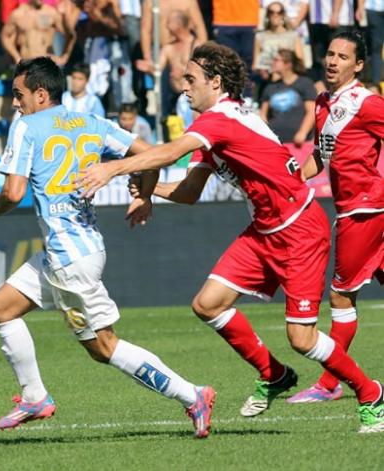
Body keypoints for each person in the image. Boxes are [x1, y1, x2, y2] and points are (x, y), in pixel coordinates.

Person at [79, 42, 384, 433]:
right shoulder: (215, 125)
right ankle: (274, 375)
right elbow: (189, 192)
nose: (184, 88)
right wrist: (149, 192)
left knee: (302, 338)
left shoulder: (220, 119)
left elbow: (169, 153)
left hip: (300, 228)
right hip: (264, 231)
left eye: (191, 80)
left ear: (215, 82)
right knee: (207, 304)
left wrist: (114, 169)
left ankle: (369, 391)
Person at [0, 57, 216, 439]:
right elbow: (150, 155)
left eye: (18, 94)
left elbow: (13, 192)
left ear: (40, 95)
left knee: (104, 347)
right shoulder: (93, 124)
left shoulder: (25, 126)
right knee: (2, 307)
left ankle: (192, 395)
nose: (14, 103)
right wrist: (144, 197)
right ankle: (34, 396)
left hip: (68, 260)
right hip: (78, 249)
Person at [287, 30, 383, 411]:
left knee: (342, 295)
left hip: (365, 209)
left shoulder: (367, 102)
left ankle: (330, 383)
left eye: (343, 57)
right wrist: (288, 181)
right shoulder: (324, 103)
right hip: (357, 208)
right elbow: (320, 158)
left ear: (358, 65)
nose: (332, 61)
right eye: (330, 54)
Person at [259, 49, 316, 146]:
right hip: (275, 142)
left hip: (299, 143)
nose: (273, 63)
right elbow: (263, 115)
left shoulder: (305, 83)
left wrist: (303, 132)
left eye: (276, 60)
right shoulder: (270, 87)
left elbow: (312, 111)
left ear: (288, 64)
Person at [0, 0, 75, 66]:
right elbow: (5, 36)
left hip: (46, 64)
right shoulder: (18, 14)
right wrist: (16, 56)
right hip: (27, 63)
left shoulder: (51, 13)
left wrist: (65, 56)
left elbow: (70, 35)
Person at [252, 2, 304, 83]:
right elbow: (255, 64)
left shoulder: (293, 36)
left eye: (279, 12)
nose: (275, 15)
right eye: (271, 12)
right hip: (266, 79)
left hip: (288, 80)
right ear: (267, 15)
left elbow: (300, 61)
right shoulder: (260, 36)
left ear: (283, 15)